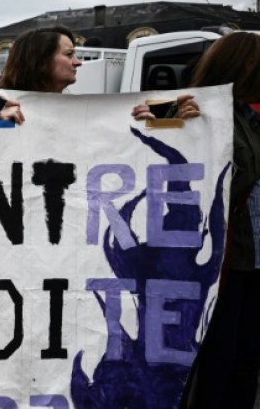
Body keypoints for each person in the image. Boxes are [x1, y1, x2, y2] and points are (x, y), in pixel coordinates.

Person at [132, 32, 260, 408]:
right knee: (215, 360)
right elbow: (148, 152)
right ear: (246, 66)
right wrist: (167, 122)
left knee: (246, 358)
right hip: (216, 258)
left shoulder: (251, 118)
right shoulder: (190, 109)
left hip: (251, 255)